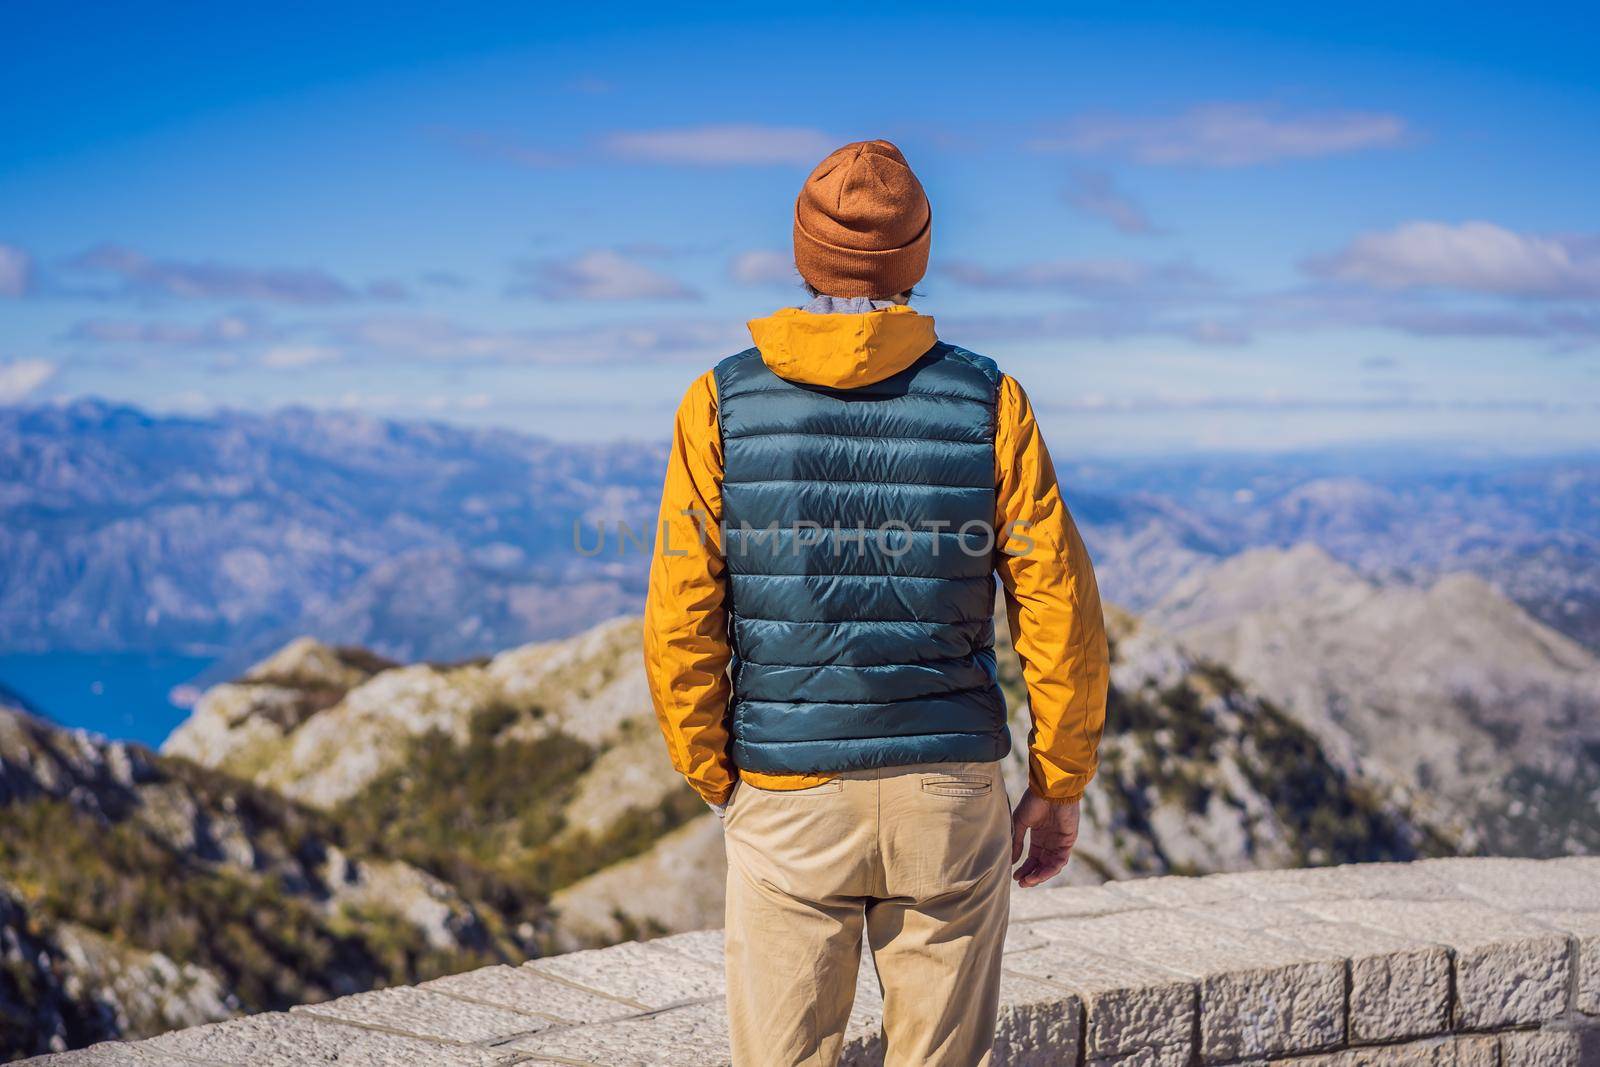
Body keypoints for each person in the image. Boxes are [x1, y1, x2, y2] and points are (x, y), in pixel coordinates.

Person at [644, 139, 1109, 1067]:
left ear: (802, 252)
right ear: (917, 257)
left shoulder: (719, 401)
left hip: (789, 790)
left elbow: (682, 612)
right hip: (948, 787)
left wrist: (718, 776)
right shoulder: (991, 398)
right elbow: (1056, 603)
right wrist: (1058, 784)